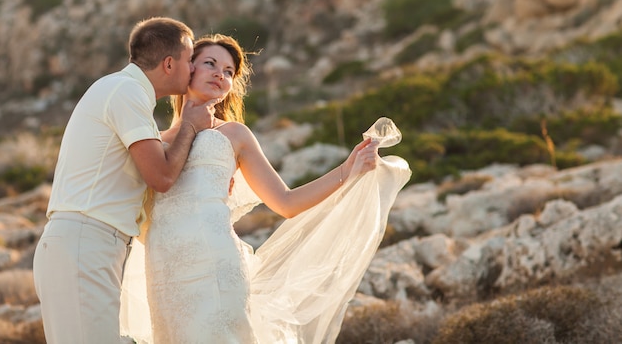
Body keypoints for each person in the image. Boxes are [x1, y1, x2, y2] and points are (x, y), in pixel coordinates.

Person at [120, 34, 412, 343]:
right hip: (163, 270)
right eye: (210, 64)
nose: (221, 74)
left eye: (230, 71)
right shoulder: (153, 139)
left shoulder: (235, 134)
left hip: (216, 265)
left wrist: (347, 169)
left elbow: (286, 202)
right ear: (186, 68)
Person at [32, 17, 219, 344]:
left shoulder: (122, 91)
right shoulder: (127, 92)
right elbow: (160, 176)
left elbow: (151, 148)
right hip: (84, 245)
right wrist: (188, 126)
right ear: (169, 63)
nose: (192, 69)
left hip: (85, 247)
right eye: (191, 60)